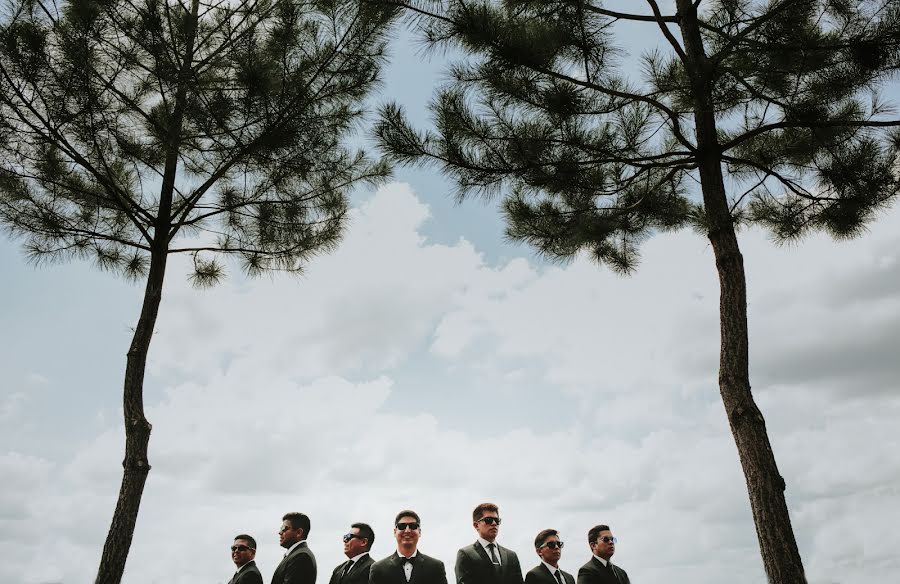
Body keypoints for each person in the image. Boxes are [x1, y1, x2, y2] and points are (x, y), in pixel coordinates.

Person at [369, 510, 448, 584]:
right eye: (402, 526)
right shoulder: (378, 569)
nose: (407, 530)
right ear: (395, 532)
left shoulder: (436, 567)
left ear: (419, 532)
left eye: (413, 526)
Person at [455, 503, 523, 584]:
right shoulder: (466, 554)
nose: (494, 523)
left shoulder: (511, 556)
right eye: (488, 520)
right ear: (476, 525)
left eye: (497, 520)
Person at [272, 512, 317, 584]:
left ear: (299, 532)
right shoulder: (296, 555)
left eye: (284, 529)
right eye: (281, 529)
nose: (280, 532)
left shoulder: (301, 556)